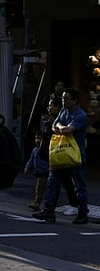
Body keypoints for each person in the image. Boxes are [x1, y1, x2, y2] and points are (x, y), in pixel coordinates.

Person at [33, 88, 89, 224]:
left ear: (75, 101)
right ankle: (49, 211)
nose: (63, 101)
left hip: (75, 156)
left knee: (78, 186)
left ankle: (82, 213)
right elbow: (54, 125)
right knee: (53, 182)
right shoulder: (64, 111)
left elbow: (69, 129)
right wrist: (61, 127)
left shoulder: (80, 115)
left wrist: (61, 128)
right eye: (63, 98)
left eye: (66, 99)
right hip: (60, 154)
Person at [38, 98, 79, 215]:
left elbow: (61, 129)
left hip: (60, 152)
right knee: (57, 182)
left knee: (61, 181)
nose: (49, 108)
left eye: (52, 106)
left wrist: (57, 127)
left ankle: (52, 209)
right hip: (54, 152)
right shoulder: (57, 116)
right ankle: (49, 209)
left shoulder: (66, 115)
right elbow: (53, 128)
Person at [24, 134, 49, 211]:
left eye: (39, 138)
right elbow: (31, 160)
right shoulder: (34, 150)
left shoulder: (46, 149)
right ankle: (38, 203)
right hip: (38, 172)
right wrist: (27, 167)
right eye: (36, 138)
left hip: (44, 172)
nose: (37, 140)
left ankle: (37, 203)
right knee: (39, 188)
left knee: (40, 188)